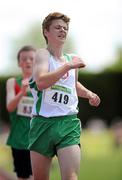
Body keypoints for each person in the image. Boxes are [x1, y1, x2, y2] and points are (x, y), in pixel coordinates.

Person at [28, 12, 101, 180]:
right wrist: (67, 66)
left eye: (65, 28)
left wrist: (89, 93)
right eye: (58, 27)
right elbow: (41, 82)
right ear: (46, 32)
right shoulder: (43, 55)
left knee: (71, 177)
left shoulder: (71, 60)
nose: (63, 30)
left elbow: (72, 85)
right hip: (42, 124)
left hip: (68, 123)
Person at [6, 45, 36, 180]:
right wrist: (22, 93)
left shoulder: (43, 84)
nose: (28, 62)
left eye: (32, 59)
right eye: (24, 59)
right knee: (23, 177)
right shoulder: (13, 82)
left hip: (38, 138)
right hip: (19, 140)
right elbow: (10, 107)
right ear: (19, 63)